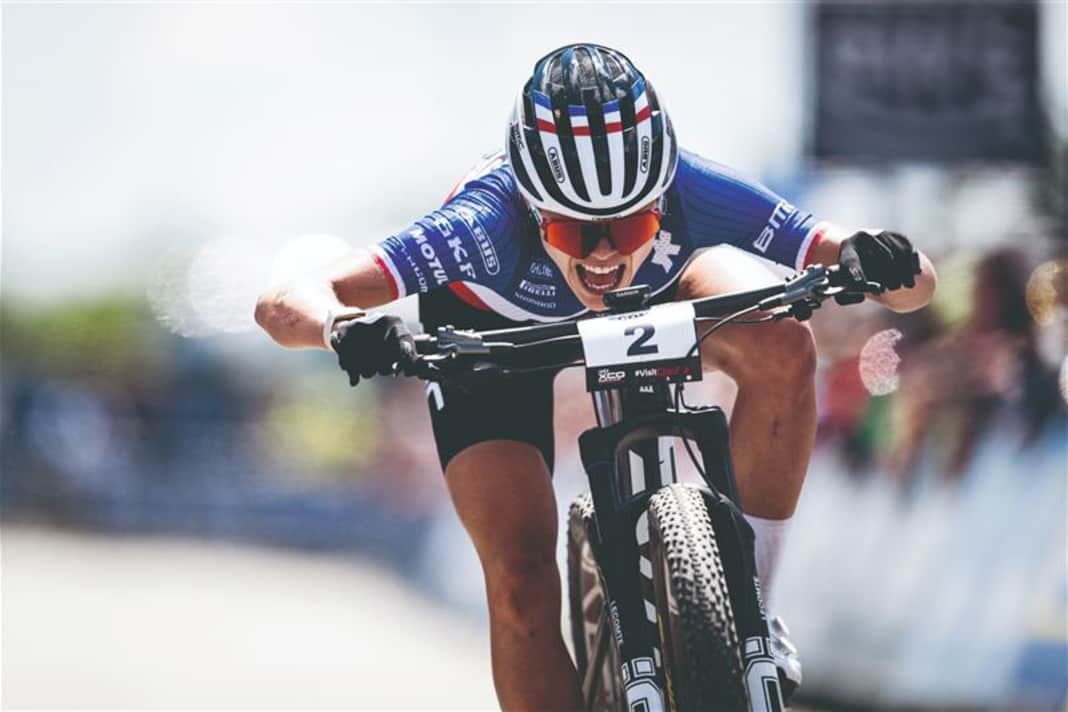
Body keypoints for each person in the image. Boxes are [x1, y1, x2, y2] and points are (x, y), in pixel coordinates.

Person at [255, 44, 937, 710]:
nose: (607, 252)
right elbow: (284, 299)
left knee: (782, 341)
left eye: (634, 221)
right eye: (577, 232)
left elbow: (914, 285)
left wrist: (873, 256)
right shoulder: (482, 223)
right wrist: (340, 328)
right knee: (520, 581)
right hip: (494, 336)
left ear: (661, 193)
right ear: (532, 207)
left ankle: (750, 604)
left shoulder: (692, 189)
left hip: (661, 293)